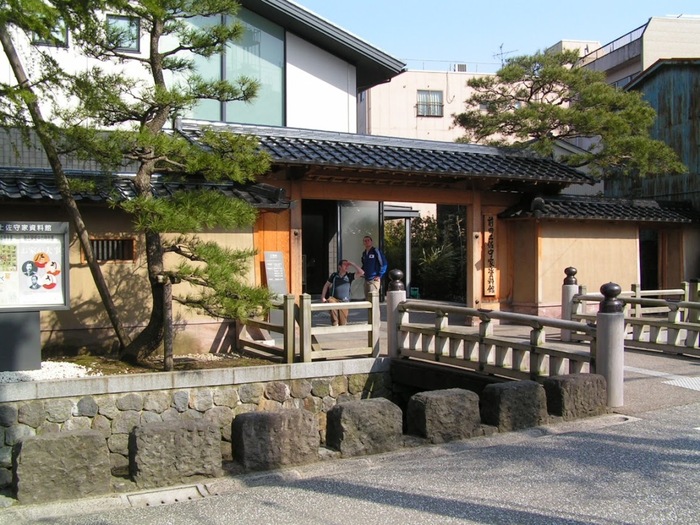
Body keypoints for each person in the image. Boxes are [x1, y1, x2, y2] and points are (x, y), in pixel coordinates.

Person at [321, 259, 363, 326]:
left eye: (347, 265)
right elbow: (326, 285)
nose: (347, 266)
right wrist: (323, 297)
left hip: (344, 301)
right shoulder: (334, 275)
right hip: (334, 299)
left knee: (343, 324)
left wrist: (353, 264)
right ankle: (335, 323)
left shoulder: (349, 276)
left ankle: (340, 323)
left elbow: (361, 272)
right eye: (345, 264)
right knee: (330, 301)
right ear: (339, 267)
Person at [361, 235, 387, 299]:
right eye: (365, 241)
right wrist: (361, 273)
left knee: (373, 299)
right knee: (367, 299)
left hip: (374, 280)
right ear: (363, 243)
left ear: (371, 242)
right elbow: (364, 265)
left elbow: (383, 263)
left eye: (368, 240)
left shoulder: (375, 251)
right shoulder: (364, 253)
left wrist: (379, 275)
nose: (367, 242)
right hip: (366, 280)